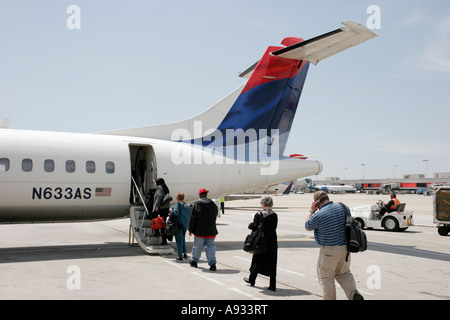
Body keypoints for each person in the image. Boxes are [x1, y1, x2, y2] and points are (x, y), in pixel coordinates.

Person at [305, 191, 364, 300]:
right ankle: (353, 294)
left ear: (316, 202)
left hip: (329, 251)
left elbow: (307, 226)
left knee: (326, 277)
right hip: (345, 249)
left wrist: (312, 211)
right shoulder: (343, 207)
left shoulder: (319, 215)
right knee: (344, 274)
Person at [243, 196, 278, 291]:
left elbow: (254, 227)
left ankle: (252, 279)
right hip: (272, 240)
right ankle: (272, 285)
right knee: (272, 261)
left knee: (257, 260)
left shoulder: (259, 214)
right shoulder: (274, 215)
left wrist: (251, 223)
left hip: (261, 240)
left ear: (263, 204)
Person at [189, 188, 218, 271]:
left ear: (199, 195)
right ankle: (212, 264)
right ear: (206, 195)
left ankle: (194, 261)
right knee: (210, 247)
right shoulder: (212, 204)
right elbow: (215, 215)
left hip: (199, 231)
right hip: (211, 230)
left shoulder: (196, 205)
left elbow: (193, 218)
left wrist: (191, 229)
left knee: (197, 247)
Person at [172, 192, 191, 261]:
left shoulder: (177, 204)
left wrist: (172, 210)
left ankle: (180, 256)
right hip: (185, 224)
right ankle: (184, 252)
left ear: (177, 198)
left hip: (179, 225)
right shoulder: (187, 205)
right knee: (183, 238)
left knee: (179, 240)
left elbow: (176, 213)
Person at [153, 178, 171, 245]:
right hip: (166, 208)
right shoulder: (165, 187)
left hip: (162, 208)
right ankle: (164, 240)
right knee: (163, 223)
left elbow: (159, 196)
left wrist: (156, 206)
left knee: (158, 221)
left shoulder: (159, 188)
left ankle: (158, 234)